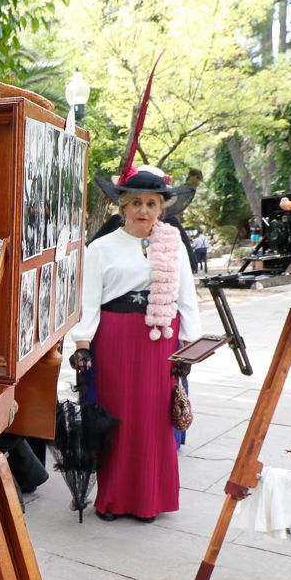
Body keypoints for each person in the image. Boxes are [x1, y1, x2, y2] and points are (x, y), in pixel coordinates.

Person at [69, 166, 201, 521]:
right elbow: (88, 300)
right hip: (116, 338)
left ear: (161, 208)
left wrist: (189, 347)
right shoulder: (102, 247)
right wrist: (82, 345)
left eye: (152, 203)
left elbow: (187, 296)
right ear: (123, 206)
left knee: (155, 420)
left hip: (162, 340)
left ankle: (149, 500)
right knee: (118, 418)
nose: (144, 210)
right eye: (137, 202)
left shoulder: (173, 245)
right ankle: (112, 499)